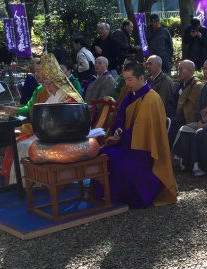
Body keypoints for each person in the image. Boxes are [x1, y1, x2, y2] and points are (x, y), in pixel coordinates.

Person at [98, 61, 177, 208]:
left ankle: (132, 197)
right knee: (103, 153)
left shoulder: (151, 98)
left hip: (144, 148)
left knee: (113, 157)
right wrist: (117, 132)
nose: (127, 83)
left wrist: (120, 137)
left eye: (130, 79)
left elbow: (142, 129)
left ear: (141, 78)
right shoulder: (129, 94)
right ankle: (111, 195)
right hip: (128, 142)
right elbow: (120, 118)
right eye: (125, 79)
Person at [1, 54, 82, 185]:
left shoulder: (68, 95)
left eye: (49, 83)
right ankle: (26, 181)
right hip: (50, 132)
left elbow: (74, 119)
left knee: (23, 145)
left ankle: (33, 181)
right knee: (20, 143)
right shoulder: (52, 94)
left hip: (66, 134)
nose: (47, 87)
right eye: (45, 84)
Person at [171, 60, 204, 145]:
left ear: (191, 71)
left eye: (182, 69)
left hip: (187, 118)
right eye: (179, 69)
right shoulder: (181, 84)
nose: (179, 71)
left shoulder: (197, 86)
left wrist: (176, 115)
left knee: (171, 125)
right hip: (177, 114)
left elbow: (190, 106)